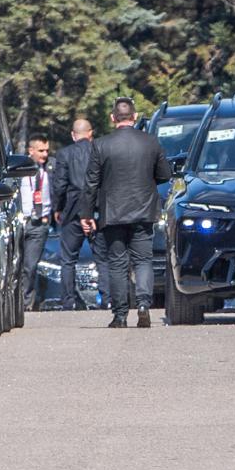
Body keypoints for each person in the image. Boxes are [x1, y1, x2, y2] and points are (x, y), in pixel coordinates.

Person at [82, 98, 171, 329]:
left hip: (113, 213)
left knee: (117, 263)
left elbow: (91, 183)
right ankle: (143, 304)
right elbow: (165, 174)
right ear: (135, 116)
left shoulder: (101, 145)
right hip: (143, 210)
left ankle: (120, 315)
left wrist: (86, 214)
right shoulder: (150, 142)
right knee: (143, 260)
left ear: (113, 118)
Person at [48, 118, 95, 310]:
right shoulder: (99, 151)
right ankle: (108, 298)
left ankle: (68, 301)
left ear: (73, 135)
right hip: (96, 209)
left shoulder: (65, 154)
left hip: (72, 208)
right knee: (103, 257)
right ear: (91, 133)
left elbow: (59, 185)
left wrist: (57, 208)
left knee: (68, 259)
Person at [16, 135, 50, 311]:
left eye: (47, 151)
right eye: (41, 151)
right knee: (17, 264)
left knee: (30, 266)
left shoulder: (51, 169)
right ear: (31, 151)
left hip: (39, 223)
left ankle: (26, 302)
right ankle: (15, 300)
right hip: (21, 221)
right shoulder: (19, 171)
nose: (45, 154)